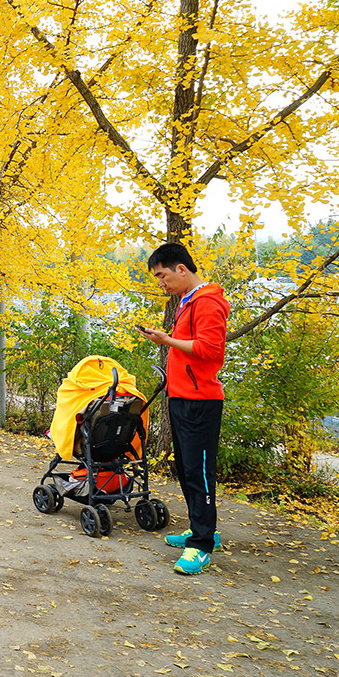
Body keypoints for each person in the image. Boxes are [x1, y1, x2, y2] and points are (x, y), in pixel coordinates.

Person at [139, 243, 229, 576]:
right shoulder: (188, 301)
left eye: (163, 275)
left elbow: (209, 349)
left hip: (200, 400)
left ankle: (202, 546)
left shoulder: (207, 302)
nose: (161, 283)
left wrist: (167, 341)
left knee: (199, 471)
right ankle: (201, 529)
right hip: (180, 396)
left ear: (181, 269)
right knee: (187, 468)